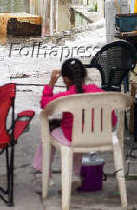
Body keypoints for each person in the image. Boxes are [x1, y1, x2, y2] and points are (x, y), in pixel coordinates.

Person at [31, 58, 117, 191]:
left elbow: (45, 104)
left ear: (65, 79)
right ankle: (74, 175)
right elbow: (113, 120)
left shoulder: (66, 97)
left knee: (50, 132)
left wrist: (51, 83)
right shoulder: (98, 91)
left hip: (74, 138)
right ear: (85, 74)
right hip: (100, 137)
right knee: (78, 132)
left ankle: (44, 176)